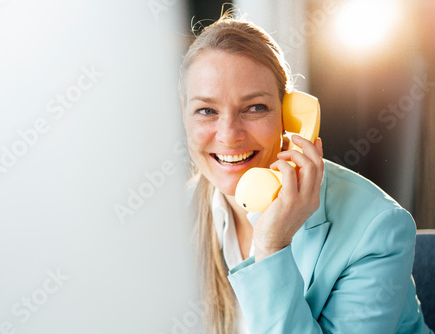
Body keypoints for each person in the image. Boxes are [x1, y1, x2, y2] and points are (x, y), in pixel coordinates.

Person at [179, 13, 433, 334]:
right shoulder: (172, 217)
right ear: (184, 111)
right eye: (206, 110)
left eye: (254, 107)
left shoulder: (376, 228)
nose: (229, 135)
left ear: (290, 114)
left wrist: (273, 247)